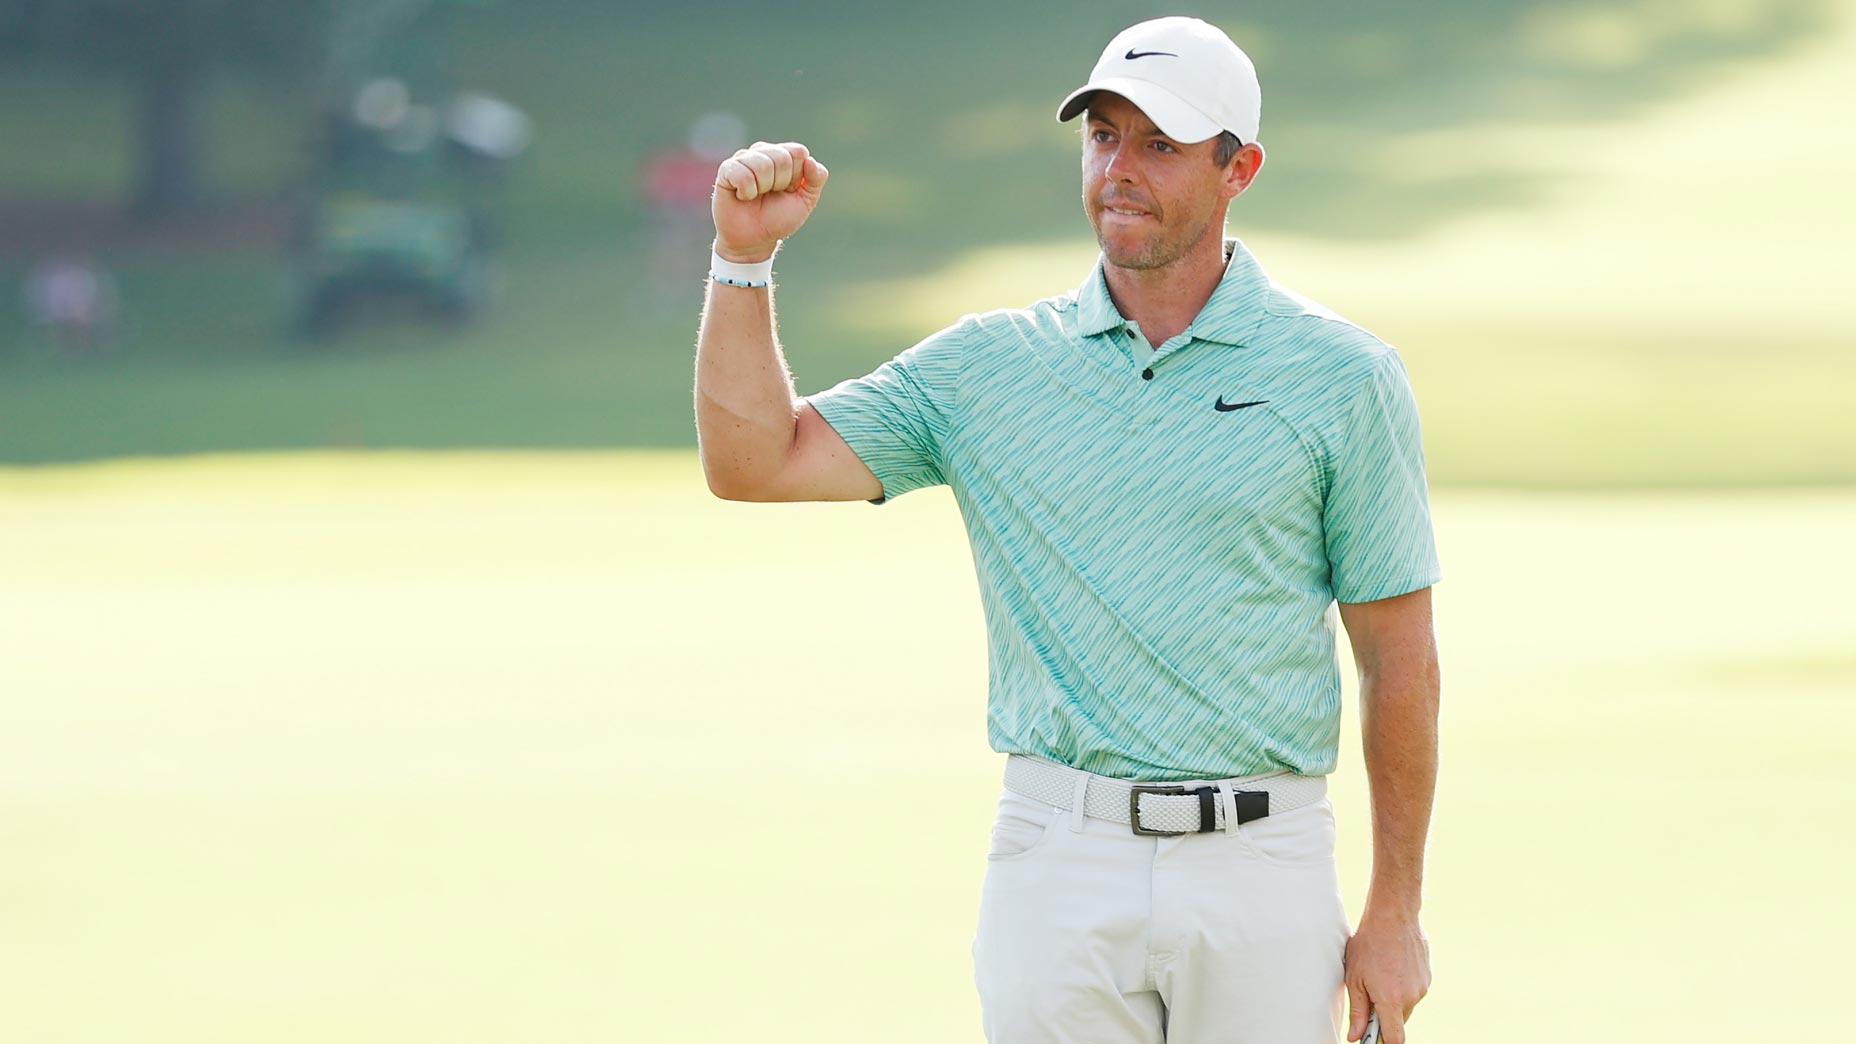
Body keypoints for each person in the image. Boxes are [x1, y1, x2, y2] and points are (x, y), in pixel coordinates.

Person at [693, 16, 1439, 1044]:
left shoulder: (1341, 377)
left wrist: (1393, 909)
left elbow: (1396, 658)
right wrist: (742, 262)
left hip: (1262, 865)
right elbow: (753, 463)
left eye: (1159, 146)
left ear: (1239, 170)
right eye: (1101, 137)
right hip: (1056, 859)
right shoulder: (987, 368)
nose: (1119, 170)